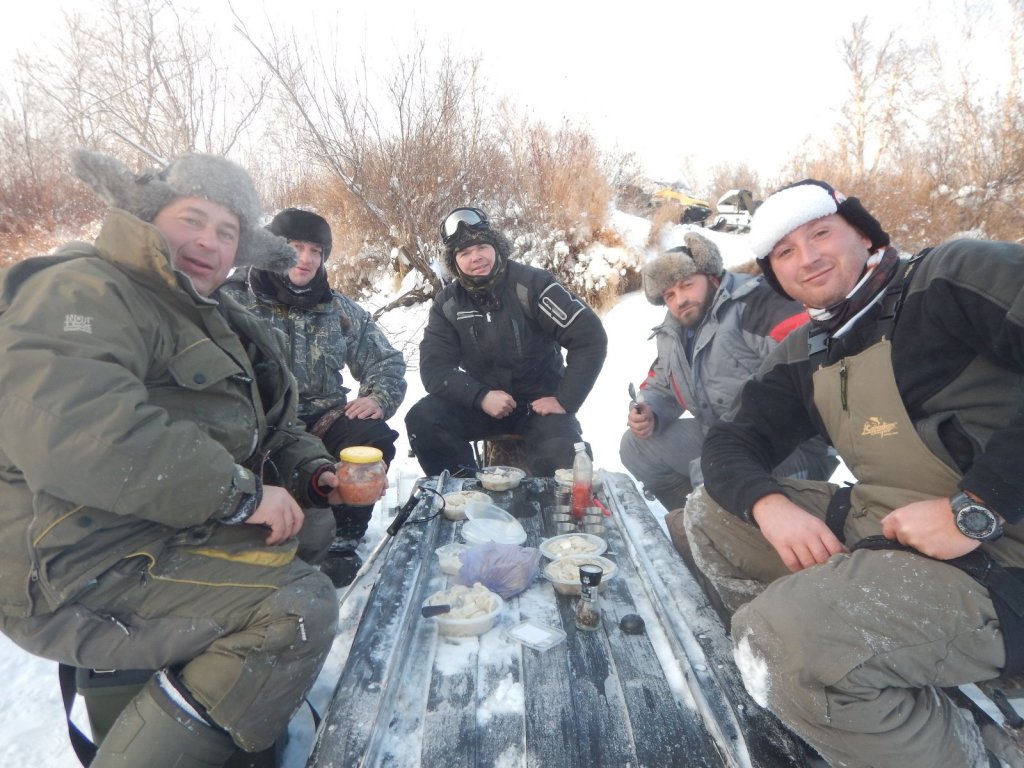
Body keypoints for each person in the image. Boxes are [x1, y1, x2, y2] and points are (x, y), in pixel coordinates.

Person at [0, 149, 352, 766]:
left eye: (227, 231)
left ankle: (235, 708)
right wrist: (240, 495)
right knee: (298, 610)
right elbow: (79, 426)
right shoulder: (84, 288)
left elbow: (271, 424)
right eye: (192, 219)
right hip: (71, 557)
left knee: (312, 524)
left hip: (155, 524)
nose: (208, 242)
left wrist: (315, 471)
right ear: (148, 217)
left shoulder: (214, 314)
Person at [685, 179, 1024, 767]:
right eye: (785, 252)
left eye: (820, 233)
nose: (807, 257)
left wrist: (975, 508)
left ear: (862, 233)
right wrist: (769, 504)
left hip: (1003, 560)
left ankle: (976, 751)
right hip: (891, 533)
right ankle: (839, 684)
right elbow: (731, 442)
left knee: (781, 643)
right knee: (711, 514)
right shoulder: (811, 348)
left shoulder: (951, 276)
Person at [222, 208, 407, 587]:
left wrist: (377, 398)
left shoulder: (337, 308)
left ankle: (343, 539)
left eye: (316, 250)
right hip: (255, 421)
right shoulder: (231, 300)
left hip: (321, 418)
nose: (305, 259)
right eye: (294, 247)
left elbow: (386, 361)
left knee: (372, 440)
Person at [619, 228, 835, 536]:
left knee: (714, 474)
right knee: (636, 447)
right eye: (669, 295)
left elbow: (814, 350)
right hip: (720, 437)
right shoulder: (676, 331)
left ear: (711, 275)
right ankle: (700, 526)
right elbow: (660, 383)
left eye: (687, 285)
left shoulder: (756, 304)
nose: (680, 300)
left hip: (789, 444)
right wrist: (650, 411)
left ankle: (728, 541)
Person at [406, 206, 608, 477]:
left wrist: (565, 400)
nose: (476, 257)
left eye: (482, 247)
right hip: (483, 405)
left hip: (539, 405)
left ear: (496, 247)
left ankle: (550, 510)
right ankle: (463, 496)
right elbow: (434, 370)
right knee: (424, 419)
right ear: (454, 263)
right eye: (464, 253)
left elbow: (589, 336)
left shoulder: (533, 285)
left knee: (566, 459)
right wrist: (480, 396)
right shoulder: (448, 304)